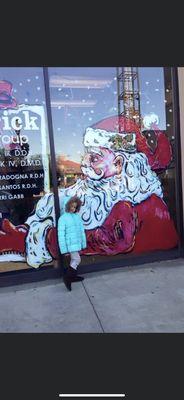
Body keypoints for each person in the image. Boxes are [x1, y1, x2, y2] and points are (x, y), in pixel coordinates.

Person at [58, 195, 87, 291]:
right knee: (77, 260)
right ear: (67, 206)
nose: (73, 209)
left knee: (74, 260)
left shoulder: (77, 217)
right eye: (71, 206)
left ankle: (73, 277)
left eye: (75, 207)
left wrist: (83, 243)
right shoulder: (63, 218)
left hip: (76, 243)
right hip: (70, 245)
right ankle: (67, 278)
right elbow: (61, 235)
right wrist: (64, 249)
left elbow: (81, 231)